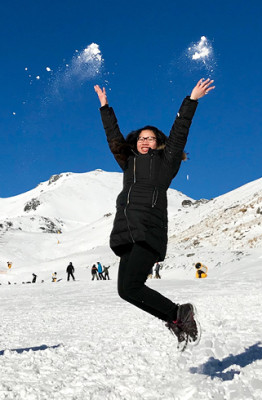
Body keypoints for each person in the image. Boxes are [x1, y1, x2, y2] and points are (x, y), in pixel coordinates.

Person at [94, 78, 214, 350]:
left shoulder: (165, 162)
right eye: (140, 138)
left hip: (148, 231)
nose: (144, 141)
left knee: (131, 288)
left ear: (158, 142)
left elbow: (179, 132)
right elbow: (114, 138)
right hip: (127, 233)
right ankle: (176, 318)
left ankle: (178, 314)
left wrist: (191, 101)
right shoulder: (129, 164)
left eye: (150, 138)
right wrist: (105, 107)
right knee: (127, 291)